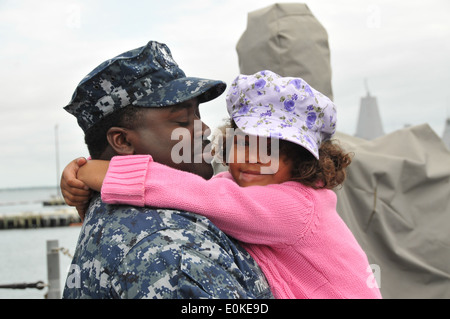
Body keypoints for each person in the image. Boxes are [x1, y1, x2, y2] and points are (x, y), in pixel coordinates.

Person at [66, 70, 382, 299]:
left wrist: (104, 173)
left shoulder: (296, 205)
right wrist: (85, 183)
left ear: (302, 162)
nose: (251, 159)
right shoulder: (246, 187)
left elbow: (201, 194)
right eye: (243, 143)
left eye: (272, 150)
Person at [60, 41, 273, 299]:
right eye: (182, 120)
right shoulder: (168, 251)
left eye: (198, 114)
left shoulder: (143, 213)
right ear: (123, 141)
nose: (204, 129)